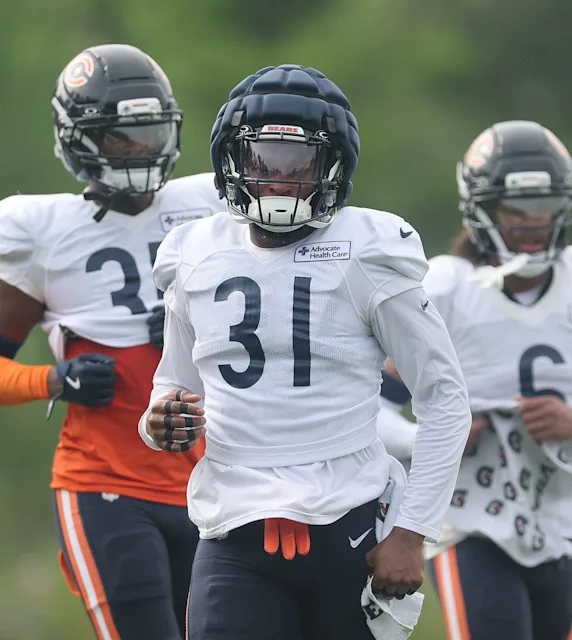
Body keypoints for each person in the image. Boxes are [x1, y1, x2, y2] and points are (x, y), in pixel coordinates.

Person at [140, 64, 472, 640]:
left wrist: (413, 531)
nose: (279, 178)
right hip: (233, 533)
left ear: (332, 168)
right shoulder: (193, 252)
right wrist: (160, 419)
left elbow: (445, 398)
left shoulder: (368, 252)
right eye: (263, 160)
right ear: (233, 163)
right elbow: (173, 384)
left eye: (300, 163)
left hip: (347, 528)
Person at [0, 44, 222, 639]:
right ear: (79, 139)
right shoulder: (40, 232)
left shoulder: (212, 208)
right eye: (121, 137)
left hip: (215, 480)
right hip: (105, 482)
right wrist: (52, 380)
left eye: (150, 132)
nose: (141, 150)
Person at [377, 120, 572, 640]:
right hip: (470, 517)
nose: (535, 224)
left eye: (546, 207)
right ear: (482, 208)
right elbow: (362, 403)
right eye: (518, 209)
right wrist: (425, 435)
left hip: (564, 522)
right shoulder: (446, 288)